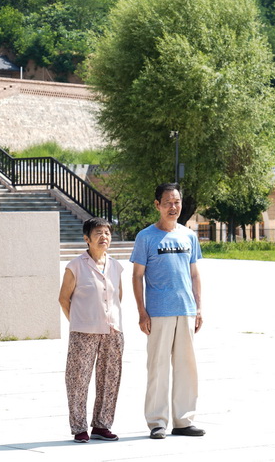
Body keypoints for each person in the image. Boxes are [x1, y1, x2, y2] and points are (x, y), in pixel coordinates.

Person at [129, 182, 204, 440]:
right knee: (158, 367)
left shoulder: (188, 236)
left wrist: (199, 308)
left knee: (187, 367)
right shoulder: (145, 237)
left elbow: (195, 274)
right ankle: (157, 422)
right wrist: (142, 312)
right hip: (158, 312)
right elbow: (137, 276)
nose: (174, 207)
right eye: (168, 202)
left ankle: (183, 421)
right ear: (157, 205)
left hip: (186, 310)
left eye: (177, 202)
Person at [59, 217, 125, 444]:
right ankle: (79, 427)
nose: (104, 237)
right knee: (78, 379)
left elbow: (119, 297)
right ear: (86, 238)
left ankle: (102, 425)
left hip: (113, 331)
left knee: (110, 378)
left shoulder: (116, 266)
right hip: (83, 332)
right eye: (98, 233)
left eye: (107, 233)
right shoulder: (75, 266)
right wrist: (79, 321)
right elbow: (63, 298)